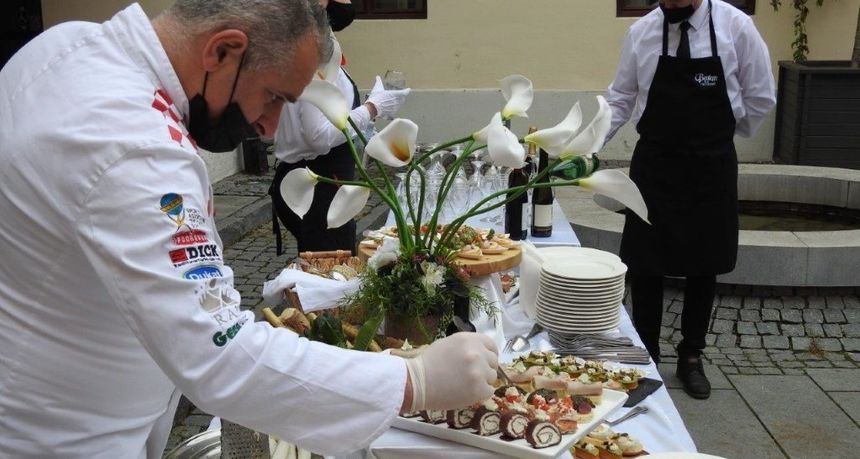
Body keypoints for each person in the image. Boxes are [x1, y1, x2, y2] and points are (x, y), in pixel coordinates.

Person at [0, 1, 498, 457]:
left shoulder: (68, 44)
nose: (270, 127)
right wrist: (412, 380)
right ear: (223, 51)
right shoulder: (134, 147)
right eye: (274, 97)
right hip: (62, 437)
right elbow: (220, 354)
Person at [605, 0, 775, 399]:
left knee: (705, 262)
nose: (671, 4)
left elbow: (761, 96)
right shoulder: (641, 32)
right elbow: (621, 98)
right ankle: (646, 352)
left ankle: (692, 355)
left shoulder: (736, 27)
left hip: (711, 164)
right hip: (655, 163)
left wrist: (723, 134)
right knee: (645, 261)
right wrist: (586, 145)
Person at [270, 0, 410, 255]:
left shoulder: (314, 43)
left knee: (324, 265)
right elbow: (319, 137)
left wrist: (367, 120)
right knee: (331, 271)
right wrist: (372, 108)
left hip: (320, 182)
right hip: (319, 186)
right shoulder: (312, 49)